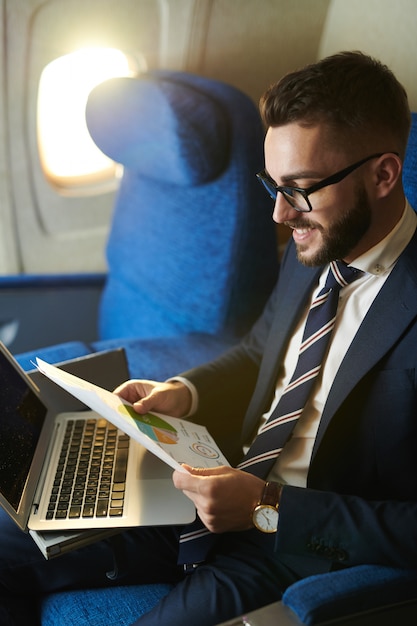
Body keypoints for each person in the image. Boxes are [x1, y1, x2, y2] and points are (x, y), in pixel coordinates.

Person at [1, 50, 417, 625]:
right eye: (271, 186)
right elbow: (260, 354)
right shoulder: (315, 243)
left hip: (288, 546)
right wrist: (183, 392)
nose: (277, 215)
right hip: (205, 488)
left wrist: (266, 507)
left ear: (384, 174)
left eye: (297, 189)